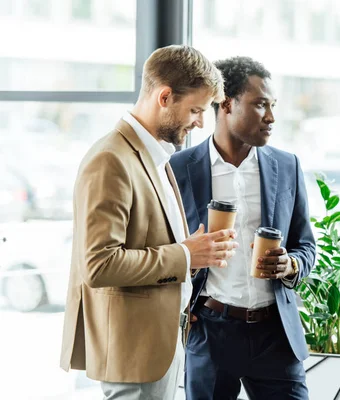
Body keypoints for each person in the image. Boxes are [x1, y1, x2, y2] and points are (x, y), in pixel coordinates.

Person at [60, 45, 239, 400]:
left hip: (158, 344)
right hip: (133, 352)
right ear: (165, 97)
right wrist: (187, 256)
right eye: (195, 110)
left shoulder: (154, 156)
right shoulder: (110, 160)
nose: (200, 122)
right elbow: (98, 264)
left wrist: (196, 252)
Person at [170, 56, 316, 400]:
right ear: (226, 103)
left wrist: (291, 264)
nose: (271, 117)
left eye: (273, 105)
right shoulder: (178, 169)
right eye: (260, 104)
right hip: (210, 331)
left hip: (275, 334)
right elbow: (166, 248)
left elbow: (306, 246)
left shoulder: (287, 165)